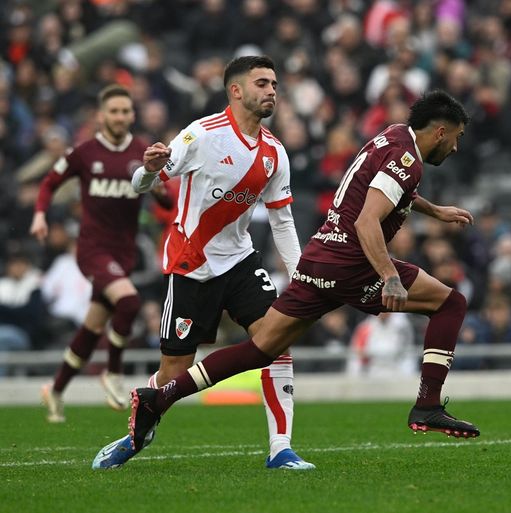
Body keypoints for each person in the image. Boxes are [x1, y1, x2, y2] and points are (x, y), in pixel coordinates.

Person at [95, 89, 480, 468]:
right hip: (350, 263)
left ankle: (160, 399)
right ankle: (427, 404)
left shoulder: (394, 136)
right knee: (450, 303)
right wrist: (389, 276)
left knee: (263, 348)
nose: (457, 148)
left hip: (319, 259)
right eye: (458, 137)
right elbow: (367, 220)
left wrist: (435, 211)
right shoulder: (407, 158)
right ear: (441, 131)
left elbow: (387, 190)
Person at [92, 56, 313, 471]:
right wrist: (148, 168)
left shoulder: (275, 153)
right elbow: (145, 182)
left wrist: (303, 277)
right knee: (176, 370)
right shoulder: (203, 134)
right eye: (262, 83)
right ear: (236, 91)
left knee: (277, 340)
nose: (271, 91)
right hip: (191, 264)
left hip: (241, 260)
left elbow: (283, 221)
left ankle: (280, 448)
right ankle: (138, 427)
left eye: (274, 84)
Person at [31, 85, 173, 422]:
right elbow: (50, 181)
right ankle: (113, 372)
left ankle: (56, 389)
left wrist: (154, 179)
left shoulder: (142, 152)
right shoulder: (84, 152)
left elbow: (167, 202)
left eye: (126, 111)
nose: (120, 117)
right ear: (101, 115)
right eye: (114, 111)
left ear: (132, 115)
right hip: (92, 249)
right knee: (130, 302)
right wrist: (39, 214)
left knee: (93, 327)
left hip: (123, 253)